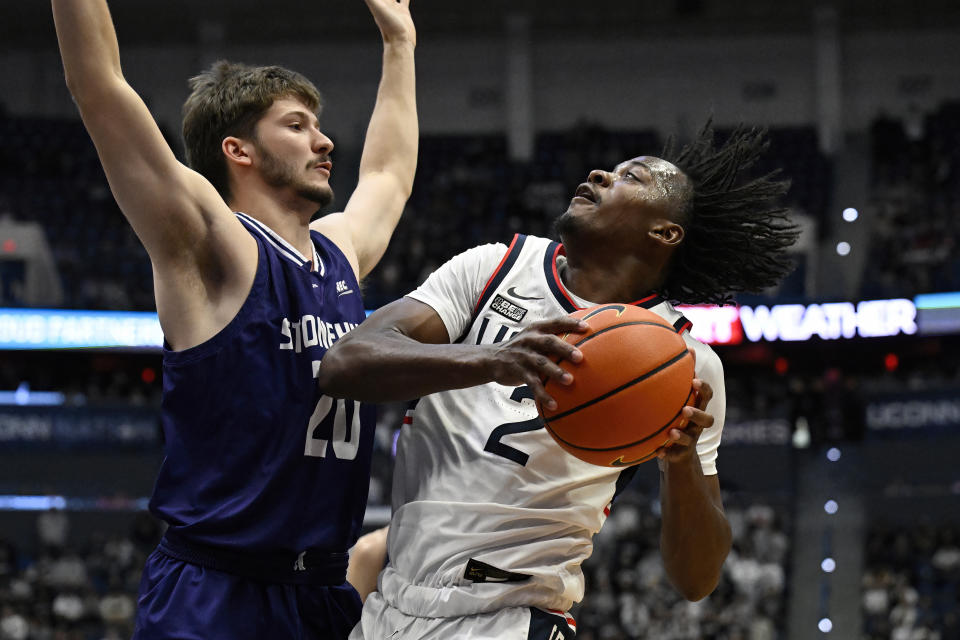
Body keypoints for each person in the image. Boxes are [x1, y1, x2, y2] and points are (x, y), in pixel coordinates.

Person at [318, 124, 799, 638]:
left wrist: (680, 465)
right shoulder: (493, 268)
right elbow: (343, 365)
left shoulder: (685, 364)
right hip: (390, 605)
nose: (597, 175)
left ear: (664, 233)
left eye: (627, 177)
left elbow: (697, 579)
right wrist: (488, 360)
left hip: (511, 616)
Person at [51, 0, 417, 638]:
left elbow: (388, 173)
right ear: (237, 150)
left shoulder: (339, 254)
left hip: (321, 590)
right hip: (218, 591)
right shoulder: (211, 244)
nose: (324, 140)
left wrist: (399, 40)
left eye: (318, 125)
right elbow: (99, 85)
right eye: (297, 125)